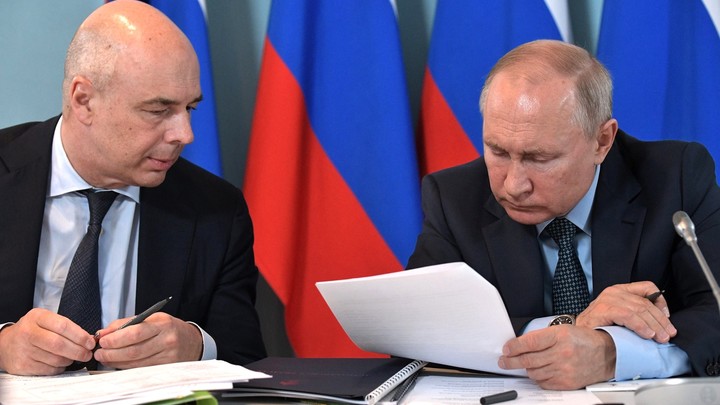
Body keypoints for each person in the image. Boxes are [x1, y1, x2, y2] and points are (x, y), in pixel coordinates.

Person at [407, 39, 720, 390]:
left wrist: (612, 353)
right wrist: (573, 325)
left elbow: (715, 308)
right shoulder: (454, 197)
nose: (513, 185)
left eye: (539, 158)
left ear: (602, 141)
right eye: (497, 151)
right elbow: (417, 327)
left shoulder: (675, 178)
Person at [0, 0, 266, 376]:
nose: (184, 135)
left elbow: (248, 356)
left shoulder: (216, 210)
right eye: (158, 111)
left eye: (189, 108)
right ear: (83, 100)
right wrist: (2, 346)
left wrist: (195, 345)